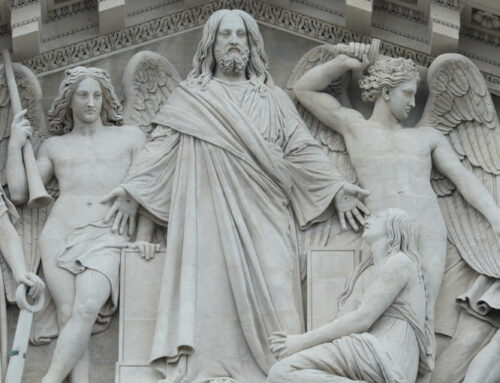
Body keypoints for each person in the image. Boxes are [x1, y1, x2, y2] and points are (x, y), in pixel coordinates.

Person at [102, 9, 369, 383]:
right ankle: (207, 373)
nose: (232, 41)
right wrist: (133, 188)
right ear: (211, 44)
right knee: (209, 295)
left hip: (268, 212)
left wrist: (337, 188)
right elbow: (161, 146)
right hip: (207, 212)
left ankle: (283, 370)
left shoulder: (273, 98)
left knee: (279, 288)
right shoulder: (191, 98)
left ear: (251, 44)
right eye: (225, 34)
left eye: (240, 35)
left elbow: (302, 148)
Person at [292, 48, 500, 364]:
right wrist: (345, 62)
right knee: (377, 306)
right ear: (386, 92)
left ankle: (418, 371)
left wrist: (496, 218)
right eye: (408, 94)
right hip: (381, 228)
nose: (414, 103)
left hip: (428, 226)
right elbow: (304, 89)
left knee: (422, 311)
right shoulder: (354, 126)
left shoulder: (427, 137)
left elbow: (463, 179)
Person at [7, 67, 153, 383]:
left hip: (110, 231)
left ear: (105, 100)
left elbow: (153, 184)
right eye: (83, 95)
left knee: (87, 306)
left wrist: (140, 225)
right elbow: (19, 192)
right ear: (69, 100)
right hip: (60, 232)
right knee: (68, 315)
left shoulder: (129, 137)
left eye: (97, 95)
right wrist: (15, 144)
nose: (90, 102)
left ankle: (49, 379)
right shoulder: (55, 147)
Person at [267, 208, 432, 383]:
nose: (368, 220)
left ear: (393, 227)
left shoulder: (400, 262)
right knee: (281, 373)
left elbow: (363, 318)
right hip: (368, 350)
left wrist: (300, 342)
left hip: (388, 357)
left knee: (283, 372)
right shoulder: (366, 273)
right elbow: (344, 320)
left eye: (379, 218)